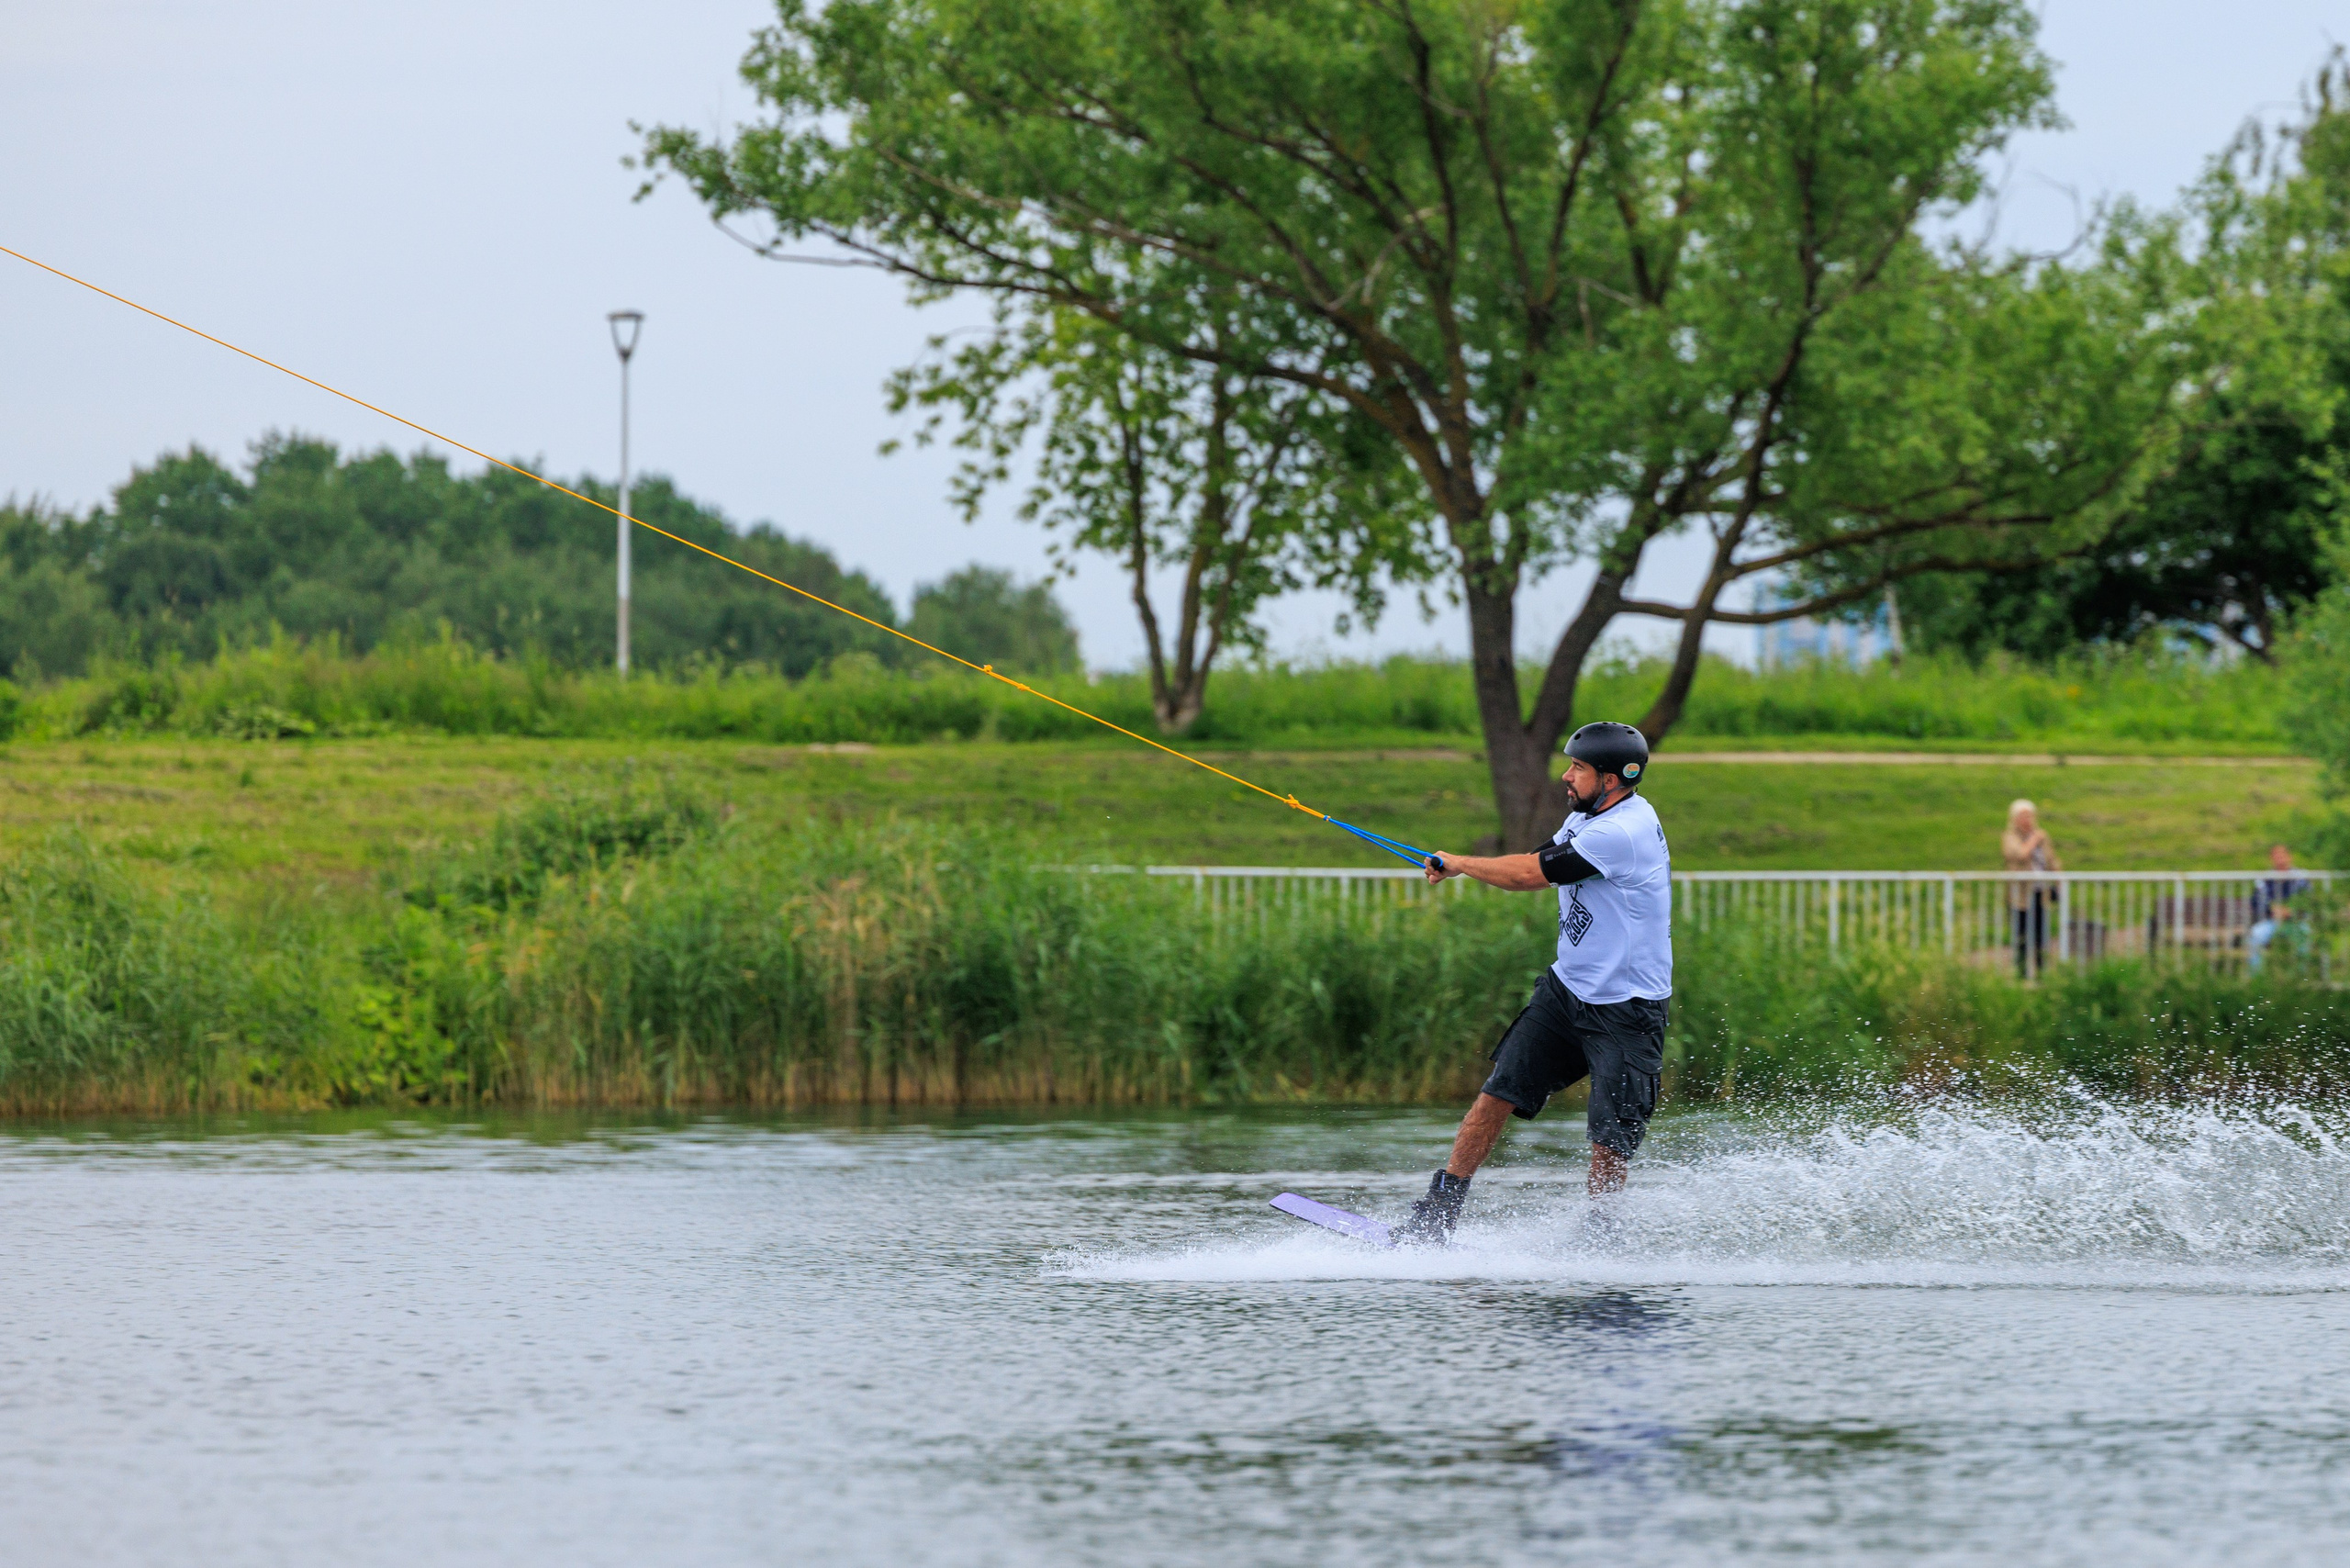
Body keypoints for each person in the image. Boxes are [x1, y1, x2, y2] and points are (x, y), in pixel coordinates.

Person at [1397, 722, 1672, 1244]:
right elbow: (1535, 859)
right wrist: (1463, 868)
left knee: (1609, 1139)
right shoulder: (1587, 816)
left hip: (1628, 1008)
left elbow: (1530, 877)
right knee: (1497, 1093)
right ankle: (1438, 1215)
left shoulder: (1624, 832)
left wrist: (1460, 862)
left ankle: (1602, 1237)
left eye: (1579, 769)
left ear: (1613, 779)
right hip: (1567, 992)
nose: (1566, 777)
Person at [2001, 800, 2061, 978]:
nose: (2028, 820)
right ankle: (2021, 974)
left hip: (2040, 893)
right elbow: (2020, 854)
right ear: (2015, 819)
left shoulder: (2042, 837)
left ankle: (2041, 975)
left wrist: (2059, 880)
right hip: (2020, 896)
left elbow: (2051, 860)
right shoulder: (2010, 836)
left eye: (2030, 816)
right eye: (2023, 816)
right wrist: (2034, 840)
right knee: (2021, 936)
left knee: (2041, 935)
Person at [2247, 844, 2311, 974]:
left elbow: (2308, 900)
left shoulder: (2301, 877)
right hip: (2272, 922)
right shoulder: (2264, 879)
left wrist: (2292, 911)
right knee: (2255, 935)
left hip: (2295, 922)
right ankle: (2256, 977)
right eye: (2276, 855)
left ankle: (2301, 977)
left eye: (2282, 855)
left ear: (2289, 857)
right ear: (2271, 859)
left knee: (2305, 935)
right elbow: (2256, 901)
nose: (2280, 858)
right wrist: (2271, 911)